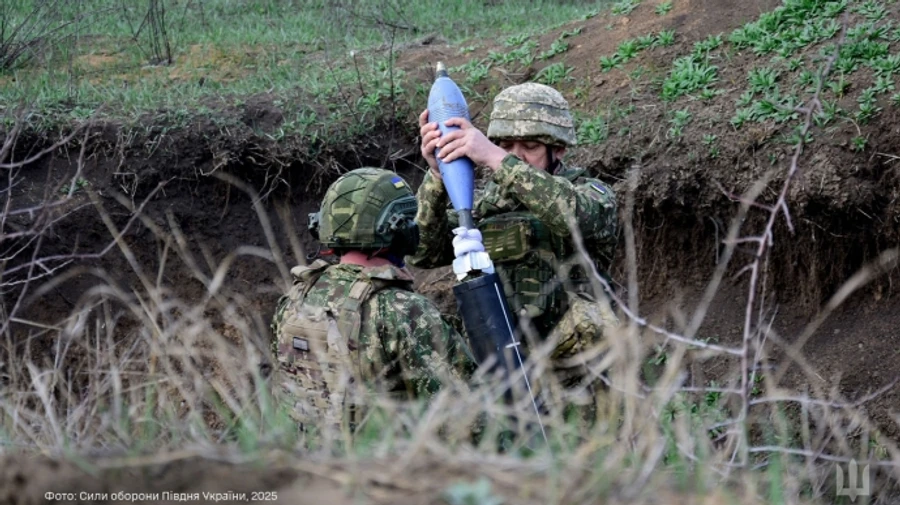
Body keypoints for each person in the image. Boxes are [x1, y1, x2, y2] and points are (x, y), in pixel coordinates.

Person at [409, 82, 619, 390]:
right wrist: (439, 177)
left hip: (580, 377)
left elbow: (572, 216)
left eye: (530, 147)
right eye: (506, 146)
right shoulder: (480, 209)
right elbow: (421, 251)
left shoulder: (592, 196)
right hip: (504, 378)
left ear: (557, 148)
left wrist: (497, 158)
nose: (516, 156)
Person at [271, 167, 471, 432]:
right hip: (380, 469)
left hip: (307, 468)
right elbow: (470, 418)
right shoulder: (405, 311)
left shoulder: (294, 299)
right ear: (403, 233)